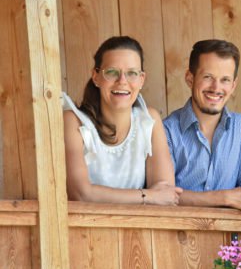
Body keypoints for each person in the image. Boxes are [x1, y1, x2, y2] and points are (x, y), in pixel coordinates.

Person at [63, 36, 182, 205]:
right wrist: (148, 196)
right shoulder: (73, 121)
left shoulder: (149, 119)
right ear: (96, 77)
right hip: (84, 229)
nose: (122, 81)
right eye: (112, 72)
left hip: (137, 228)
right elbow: (81, 193)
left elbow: (165, 190)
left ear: (141, 80)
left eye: (132, 73)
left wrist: (156, 195)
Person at [163, 39, 241, 211]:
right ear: (190, 78)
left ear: (233, 86)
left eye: (225, 80)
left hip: (233, 235)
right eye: (208, 77)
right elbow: (163, 196)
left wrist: (191, 198)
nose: (216, 87)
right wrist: (225, 197)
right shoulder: (167, 130)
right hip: (178, 236)